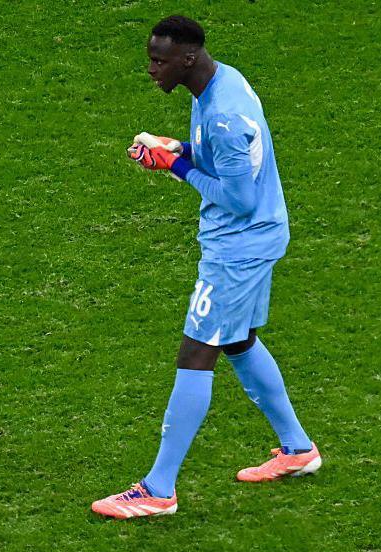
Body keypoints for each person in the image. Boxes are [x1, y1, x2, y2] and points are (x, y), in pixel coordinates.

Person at [91, 15, 322, 520]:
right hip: (255, 236)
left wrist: (174, 167)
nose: (151, 69)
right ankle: (297, 449)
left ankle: (158, 488)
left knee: (197, 350)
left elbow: (237, 198)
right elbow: (224, 160)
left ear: (188, 58)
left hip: (239, 245)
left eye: (159, 59)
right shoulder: (221, 83)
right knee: (237, 340)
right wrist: (178, 149)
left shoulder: (223, 112)